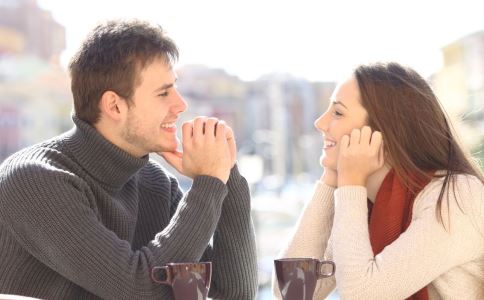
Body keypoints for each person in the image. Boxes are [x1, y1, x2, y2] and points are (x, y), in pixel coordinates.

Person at [0, 19, 257, 300]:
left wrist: (225, 174)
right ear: (114, 106)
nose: (181, 105)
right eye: (163, 93)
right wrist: (208, 182)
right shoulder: (35, 180)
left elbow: (231, 294)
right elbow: (138, 290)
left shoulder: (155, 185)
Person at [272, 62, 484, 299]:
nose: (320, 123)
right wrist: (331, 179)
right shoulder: (365, 204)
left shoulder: (457, 196)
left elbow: (362, 294)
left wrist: (350, 180)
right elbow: (290, 292)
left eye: (338, 113)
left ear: (382, 131)